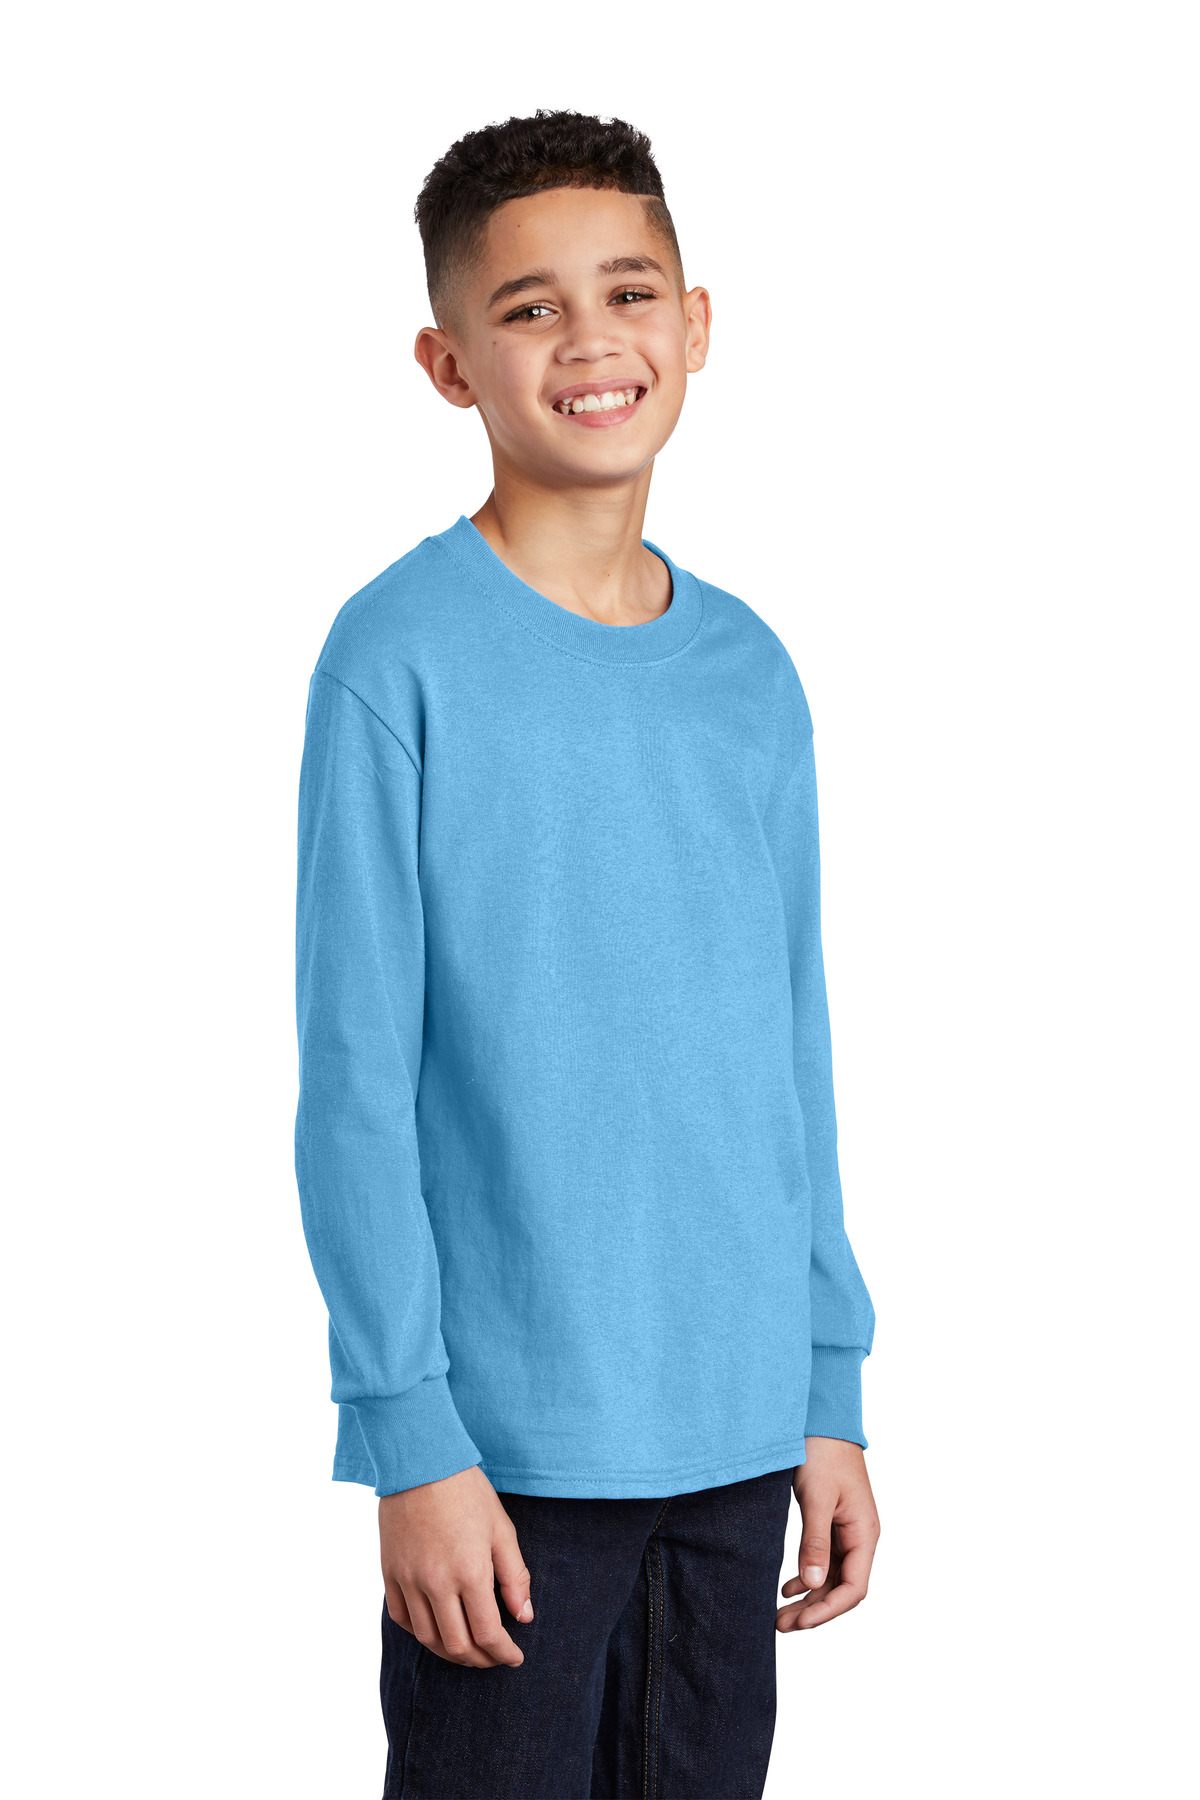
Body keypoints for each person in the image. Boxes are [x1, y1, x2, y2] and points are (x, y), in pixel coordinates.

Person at [294, 109, 879, 1800]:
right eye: (529, 308)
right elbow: (354, 1084)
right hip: (507, 1463)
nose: (590, 340)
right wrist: (410, 1437)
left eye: (627, 293)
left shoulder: (749, 674)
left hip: (738, 1439)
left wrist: (825, 1385)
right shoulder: (396, 658)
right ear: (448, 364)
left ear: (694, 324)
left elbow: (789, 1054)